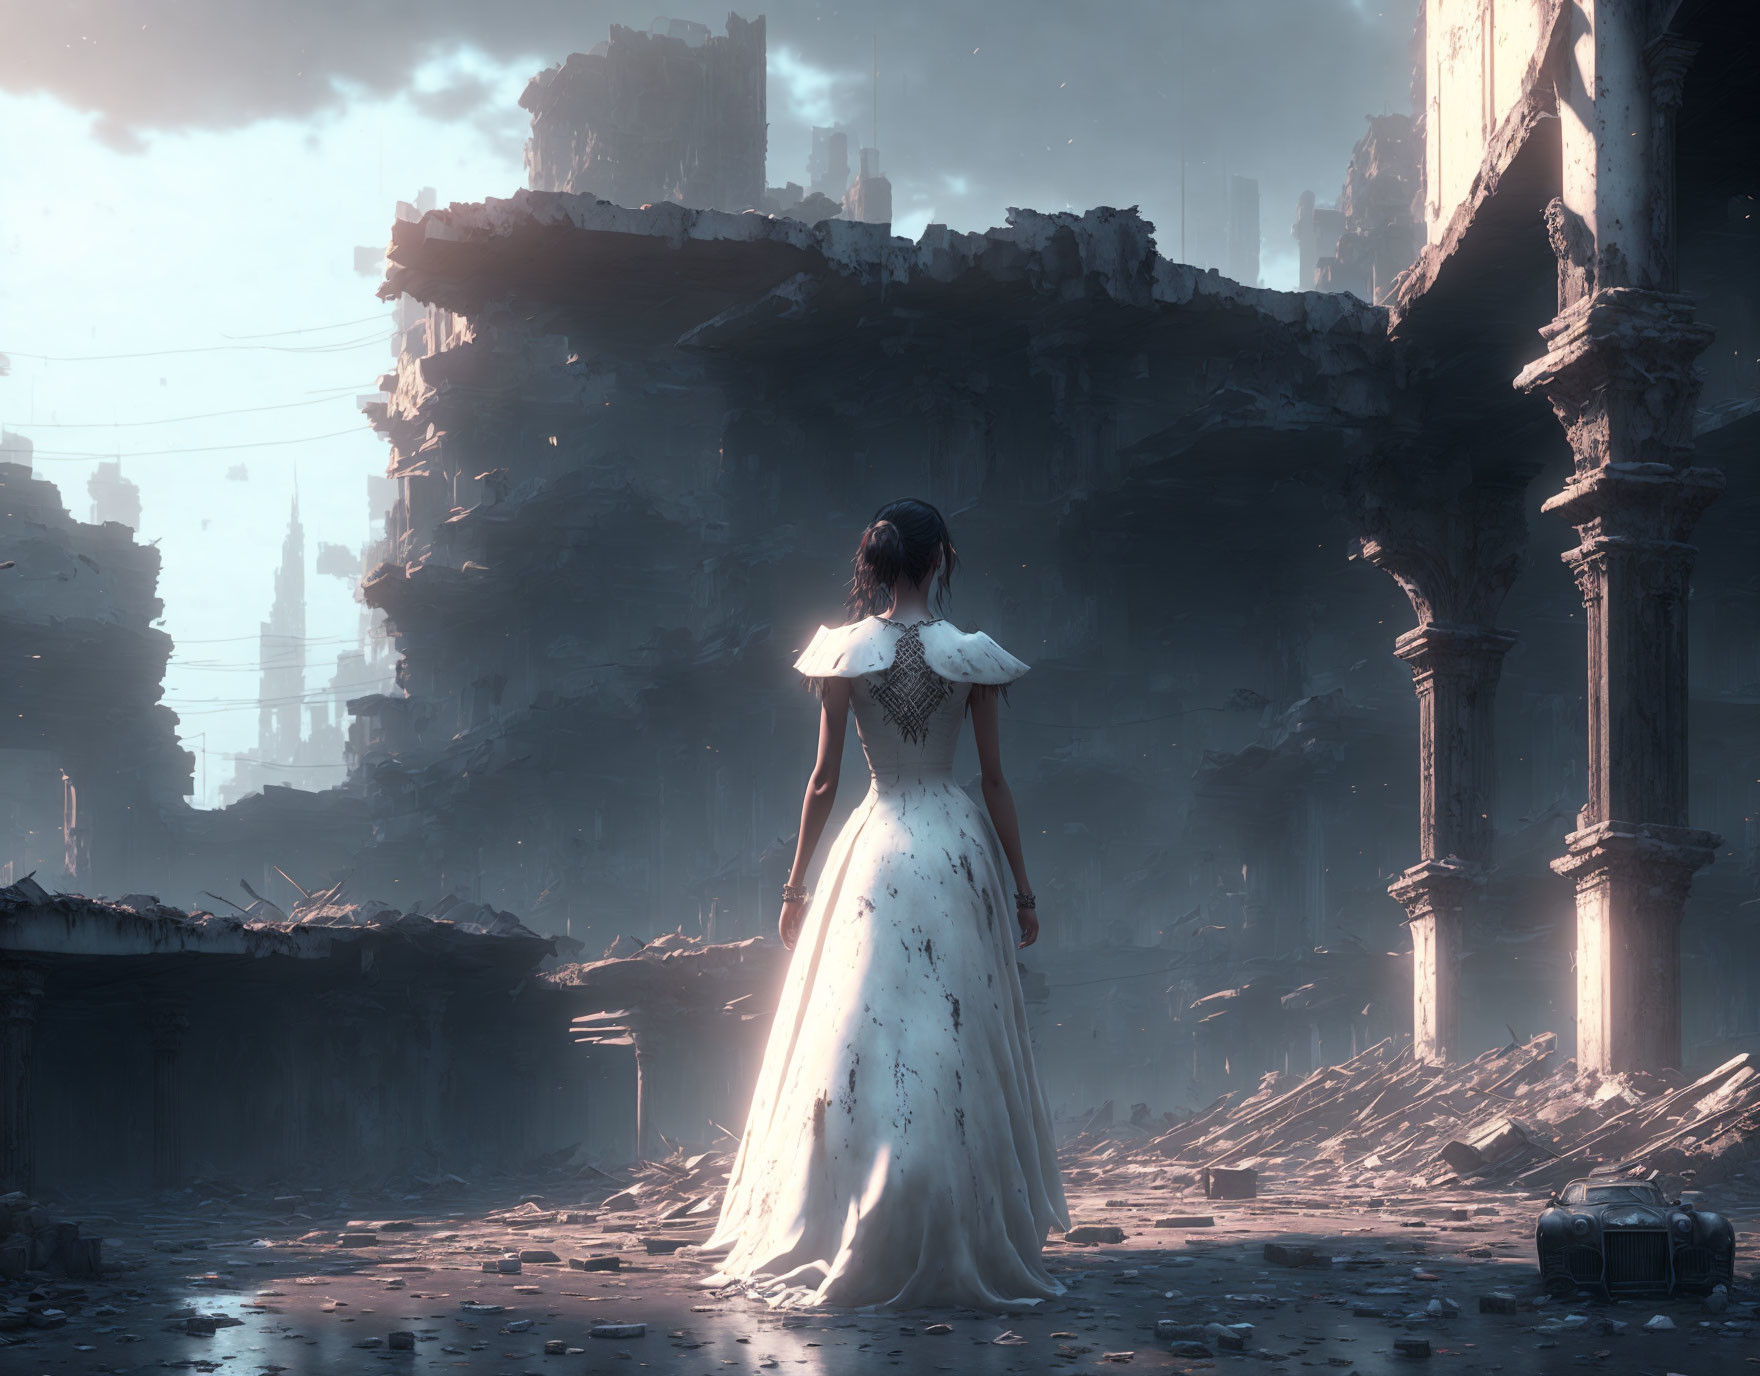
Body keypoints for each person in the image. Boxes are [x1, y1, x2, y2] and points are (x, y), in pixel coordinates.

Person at [699, 498, 1068, 1310]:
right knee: (954, 1033)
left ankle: (863, 1209)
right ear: (940, 560)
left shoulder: (846, 652)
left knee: (864, 1035)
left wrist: (795, 886)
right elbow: (996, 782)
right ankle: (953, 1213)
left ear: (876, 565)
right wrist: (1023, 888)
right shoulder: (966, 655)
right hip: (955, 843)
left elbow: (826, 780)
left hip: (874, 848)